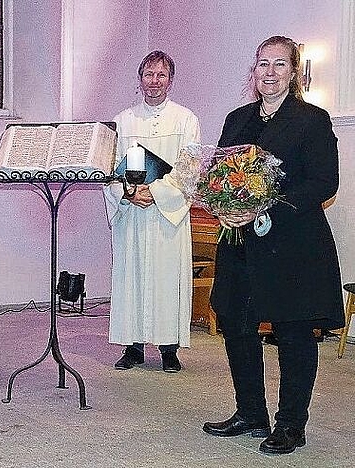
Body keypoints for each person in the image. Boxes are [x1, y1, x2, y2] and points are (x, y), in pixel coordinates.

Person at [202, 35, 344, 455]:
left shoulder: (311, 120)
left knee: (293, 333)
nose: (269, 71)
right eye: (263, 63)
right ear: (254, 69)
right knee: (236, 324)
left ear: (294, 72)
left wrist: (263, 211)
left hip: (293, 246)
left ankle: (290, 425)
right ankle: (250, 412)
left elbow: (323, 183)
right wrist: (221, 206)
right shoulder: (236, 119)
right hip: (241, 243)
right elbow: (220, 174)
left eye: (279, 64)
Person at [103, 51, 201, 373]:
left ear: (170, 80)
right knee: (132, 277)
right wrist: (129, 193)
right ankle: (132, 346)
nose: (154, 82)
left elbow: (189, 170)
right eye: (148, 74)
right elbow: (106, 168)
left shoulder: (186, 120)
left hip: (165, 218)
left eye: (161, 75)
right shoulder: (122, 120)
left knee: (166, 278)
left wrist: (155, 192)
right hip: (132, 214)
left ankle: (169, 349)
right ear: (139, 78)